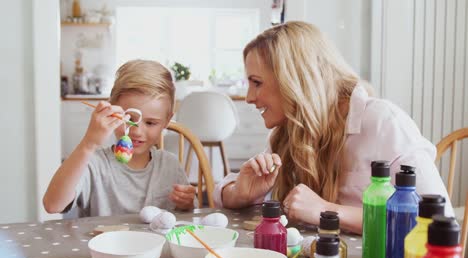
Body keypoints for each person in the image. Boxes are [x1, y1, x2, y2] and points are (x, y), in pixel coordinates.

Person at [214, 21, 452, 234]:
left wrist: (327, 211)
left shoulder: (383, 122)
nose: (248, 97)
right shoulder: (288, 130)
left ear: (295, 79)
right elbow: (229, 191)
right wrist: (240, 193)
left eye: (257, 83)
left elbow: (438, 219)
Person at [43, 60, 196, 217]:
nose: (136, 131)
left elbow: (187, 217)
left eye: (150, 123)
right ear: (111, 111)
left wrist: (187, 204)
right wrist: (88, 143)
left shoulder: (170, 166)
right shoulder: (95, 164)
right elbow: (52, 205)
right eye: (129, 118)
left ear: (166, 121)